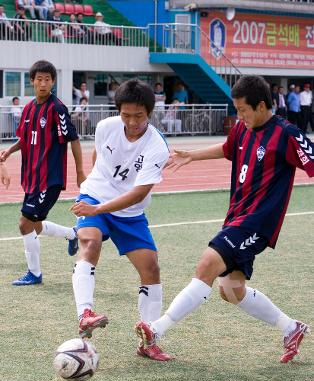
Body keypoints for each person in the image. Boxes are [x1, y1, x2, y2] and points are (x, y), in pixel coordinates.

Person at [135, 75, 314, 363]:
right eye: (237, 110)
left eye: (243, 110)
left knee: (206, 264)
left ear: (261, 105)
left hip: (257, 222)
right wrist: (192, 155)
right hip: (235, 217)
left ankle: (155, 330)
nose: (239, 116)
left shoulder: (287, 134)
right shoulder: (244, 129)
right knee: (231, 290)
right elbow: (228, 149)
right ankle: (291, 328)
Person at [70, 79, 171, 361]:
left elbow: (139, 193)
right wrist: (93, 192)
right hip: (95, 197)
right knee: (90, 243)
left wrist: (99, 209)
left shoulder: (157, 146)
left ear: (150, 113)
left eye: (138, 116)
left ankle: (149, 340)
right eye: (126, 115)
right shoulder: (106, 127)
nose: (132, 121)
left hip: (129, 211)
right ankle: (85, 314)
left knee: (151, 268)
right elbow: (97, 155)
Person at [0, 60, 85, 286]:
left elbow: (73, 139)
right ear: (32, 81)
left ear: (53, 82)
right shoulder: (28, 108)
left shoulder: (57, 109)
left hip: (49, 178)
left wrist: (79, 171)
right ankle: (72, 234)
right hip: (32, 178)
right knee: (35, 224)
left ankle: (35, 274)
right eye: (39, 79)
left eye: (48, 79)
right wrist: (9, 151)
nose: (43, 83)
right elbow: (26, 138)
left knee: (24, 224)